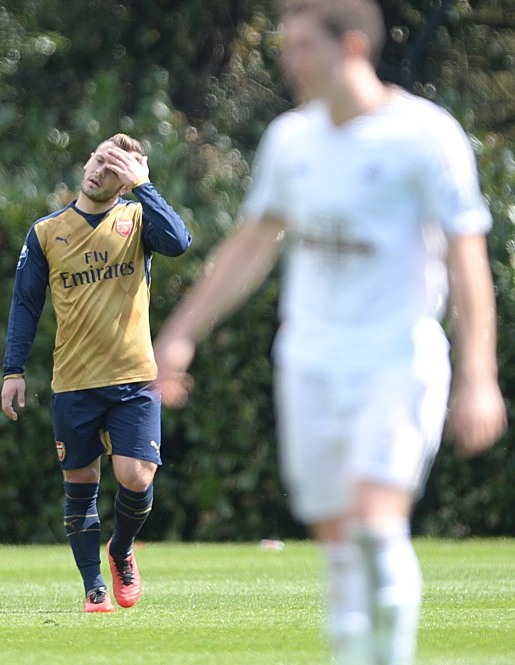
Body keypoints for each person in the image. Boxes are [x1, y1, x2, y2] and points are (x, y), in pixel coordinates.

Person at [152, 1, 507, 663]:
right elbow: (252, 243)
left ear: (349, 47)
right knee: (339, 543)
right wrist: (179, 333)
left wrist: (478, 374)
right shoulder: (292, 139)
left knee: (376, 525)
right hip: (308, 361)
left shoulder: (426, 137)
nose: (287, 60)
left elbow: (466, 260)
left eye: (299, 46)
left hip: (395, 358)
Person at [1, 134, 192, 612]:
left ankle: (121, 549)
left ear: (126, 180)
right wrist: (13, 370)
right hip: (74, 381)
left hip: (134, 379)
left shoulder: (137, 219)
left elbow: (180, 243)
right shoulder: (47, 231)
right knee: (80, 483)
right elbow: (26, 304)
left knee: (137, 475)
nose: (99, 171)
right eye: (98, 160)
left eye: (113, 168)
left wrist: (144, 187)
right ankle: (93, 588)